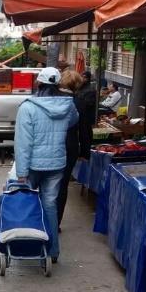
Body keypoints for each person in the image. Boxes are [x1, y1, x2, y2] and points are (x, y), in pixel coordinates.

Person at [14, 66, 78, 263]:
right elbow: (74, 120)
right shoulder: (68, 105)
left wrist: (22, 171)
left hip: (33, 165)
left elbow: (23, 142)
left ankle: (29, 245)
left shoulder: (28, 107)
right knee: (50, 205)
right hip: (57, 163)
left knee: (30, 205)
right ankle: (52, 251)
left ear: (38, 83)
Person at [57, 69, 94, 226]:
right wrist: (85, 151)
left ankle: (44, 218)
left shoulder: (52, 99)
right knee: (63, 184)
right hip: (70, 146)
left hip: (52, 145)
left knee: (48, 183)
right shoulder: (79, 102)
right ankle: (56, 222)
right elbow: (85, 129)